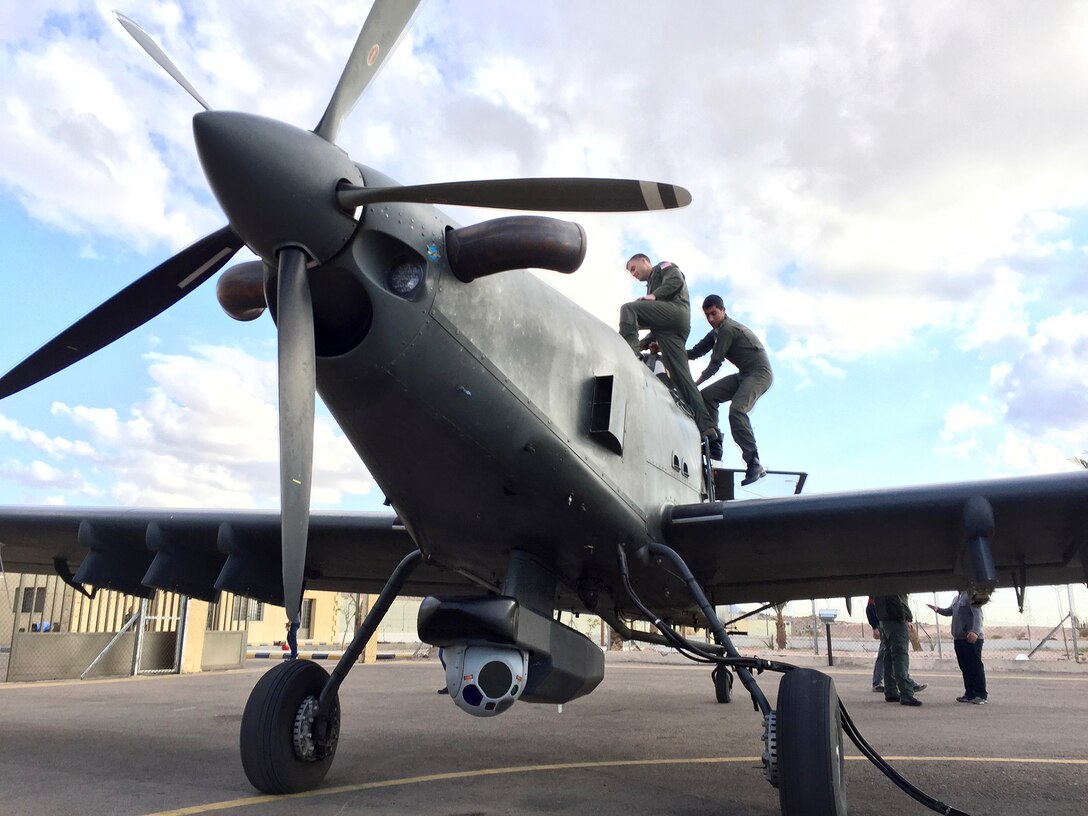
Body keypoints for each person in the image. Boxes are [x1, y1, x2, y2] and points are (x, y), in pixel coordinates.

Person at [620, 254, 716, 440]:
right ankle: (708, 429)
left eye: (633, 268)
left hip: (675, 313)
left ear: (644, 261)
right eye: (630, 272)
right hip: (667, 330)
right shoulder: (651, 284)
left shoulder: (663, 267)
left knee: (629, 310)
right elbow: (654, 326)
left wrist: (654, 296)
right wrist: (643, 344)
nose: (633, 274)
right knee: (682, 378)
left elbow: (676, 280)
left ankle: (629, 354)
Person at [686, 295, 772, 485]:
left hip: (759, 374)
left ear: (723, 311)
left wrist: (693, 383)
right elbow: (695, 352)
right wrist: (665, 349)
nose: (710, 319)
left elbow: (715, 363)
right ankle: (714, 441)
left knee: (737, 411)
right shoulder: (716, 332)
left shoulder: (727, 329)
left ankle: (754, 462)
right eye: (707, 315)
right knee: (707, 396)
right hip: (744, 375)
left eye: (714, 314)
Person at [928, 593, 987, 704]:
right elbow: (950, 611)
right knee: (965, 667)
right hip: (959, 638)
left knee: (975, 667)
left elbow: (978, 615)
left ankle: (981, 695)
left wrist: (975, 631)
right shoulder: (956, 598)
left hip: (971, 638)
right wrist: (938, 609)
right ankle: (969, 694)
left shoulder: (971, 596)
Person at [866, 595, 927, 695]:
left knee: (888, 656)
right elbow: (870, 607)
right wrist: (874, 626)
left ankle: (891, 688)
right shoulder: (892, 587)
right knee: (898, 656)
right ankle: (904, 687)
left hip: (888, 621)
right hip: (893, 621)